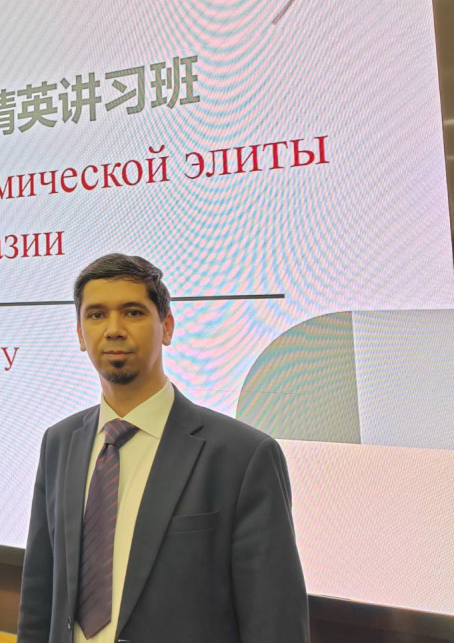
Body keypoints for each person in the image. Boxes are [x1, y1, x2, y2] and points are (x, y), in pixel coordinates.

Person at [17, 254, 309, 643]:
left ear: (166, 327)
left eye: (133, 312)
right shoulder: (59, 442)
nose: (114, 330)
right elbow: (39, 595)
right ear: (80, 334)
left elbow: (275, 622)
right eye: (97, 315)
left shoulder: (243, 456)